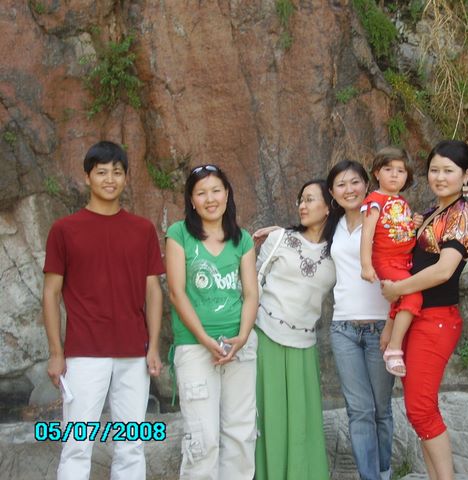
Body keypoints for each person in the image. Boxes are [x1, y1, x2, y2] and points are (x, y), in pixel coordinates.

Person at [42, 141, 164, 479]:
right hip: (84, 352)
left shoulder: (142, 230)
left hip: (134, 352)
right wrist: (56, 353)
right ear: (87, 177)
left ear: (126, 177)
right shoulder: (64, 230)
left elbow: (153, 290)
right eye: (101, 172)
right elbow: (50, 293)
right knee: (77, 443)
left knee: (131, 443)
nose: (110, 179)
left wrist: (153, 347)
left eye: (117, 172)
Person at [381, 140, 468, 480]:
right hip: (415, 317)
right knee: (419, 410)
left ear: (465, 175)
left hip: (436, 320)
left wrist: (397, 290)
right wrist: (392, 322)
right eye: (434, 170)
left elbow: (443, 271)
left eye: (448, 170)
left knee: (420, 408)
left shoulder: (462, 213)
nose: (439, 177)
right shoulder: (430, 213)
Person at [165, 164, 259, 479]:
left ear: (227, 194)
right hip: (195, 347)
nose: (210, 199)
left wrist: (242, 337)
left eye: (216, 190)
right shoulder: (179, 234)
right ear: (191, 200)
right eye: (201, 193)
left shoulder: (242, 239)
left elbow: (251, 293)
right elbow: (177, 293)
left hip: (239, 346)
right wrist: (206, 340)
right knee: (202, 437)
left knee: (241, 431)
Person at [254, 179, 338, 480]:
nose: (302, 205)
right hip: (266, 336)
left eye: (310, 199)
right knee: (271, 415)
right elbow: (252, 282)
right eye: (301, 199)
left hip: (304, 344)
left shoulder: (338, 251)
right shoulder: (279, 238)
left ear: (328, 207)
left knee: (303, 421)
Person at [328, 160, 396, 480]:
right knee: (359, 410)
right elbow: (304, 230)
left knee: (381, 409)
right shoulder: (333, 225)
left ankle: (383, 472)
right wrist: (278, 231)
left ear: (367, 185)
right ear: (332, 193)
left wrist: (393, 326)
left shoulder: (383, 218)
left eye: (355, 182)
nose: (349, 189)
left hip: (380, 325)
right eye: (341, 184)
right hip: (343, 328)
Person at [360, 147, 423, 377]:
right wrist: (366, 265)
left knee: (402, 296)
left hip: (405, 260)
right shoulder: (374, 201)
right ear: (377, 173)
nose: (395, 174)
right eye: (388, 169)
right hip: (386, 260)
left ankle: (389, 334)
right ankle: (394, 350)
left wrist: (413, 224)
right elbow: (367, 233)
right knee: (414, 295)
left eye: (400, 170)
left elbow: (399, 228)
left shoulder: (401, 201)